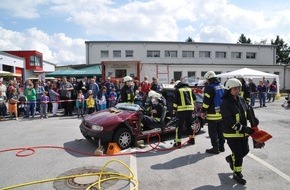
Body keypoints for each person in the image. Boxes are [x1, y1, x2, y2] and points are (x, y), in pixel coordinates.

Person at [220, 78, 255, 185]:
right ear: (229, 89)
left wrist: (253, 119)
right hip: (231, 133)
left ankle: (231, 159)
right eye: (235, 88)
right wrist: (244, 128)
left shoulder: (241, 99)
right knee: (239, 153)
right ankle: (237, 173)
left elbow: (246, 111)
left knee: (246, 151)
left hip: (242, 133)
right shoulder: (225, 103)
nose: (237, 90)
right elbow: (229, 121)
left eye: (238, 88)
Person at [201, 71, 225, 154]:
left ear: (208, 79)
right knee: (220, 131)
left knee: (213, 132)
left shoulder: (209, 87)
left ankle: (215, 148)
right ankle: (221, 147)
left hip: (212, 114)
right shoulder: (221, 85)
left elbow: (206, 102)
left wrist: (203, 111)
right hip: (221, 113)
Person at [173, 80, 196, 147]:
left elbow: (175, 102)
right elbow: (194, 99)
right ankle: (192, 139)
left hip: (181, 110)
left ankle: (178, 143)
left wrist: (174, 111)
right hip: (190, 110)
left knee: (178, 127)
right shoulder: (190, 89)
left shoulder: (178, 90)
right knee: (189, 125)